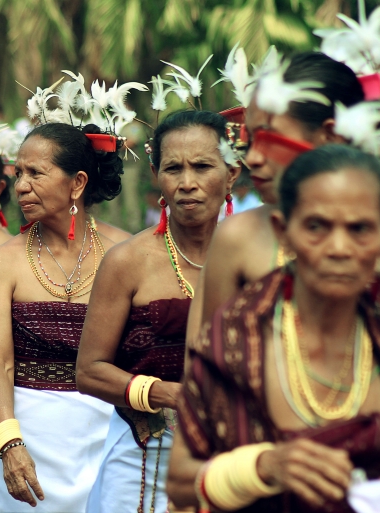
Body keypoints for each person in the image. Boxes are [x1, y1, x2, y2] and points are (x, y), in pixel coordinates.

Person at [168, 145, 380, 513]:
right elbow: (181, 484)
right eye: (316, 226)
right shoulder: (236, 343)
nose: (339, 247)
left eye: (359, 229)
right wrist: (263, 467)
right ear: (283, 232)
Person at [76, 111, 239, 513]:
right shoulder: (127, 261)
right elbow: (90, 370)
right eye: (173, 168)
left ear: (232, 172)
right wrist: (165, 394)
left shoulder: (257, 256)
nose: (187, 183)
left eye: (202, 166)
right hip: (141, 460)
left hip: (236, 454)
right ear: (155, 174)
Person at [0, 123, 122, 513]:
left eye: (35, 173)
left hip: (109, 430)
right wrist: (9, 443)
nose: (21, 185)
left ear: (77, 183)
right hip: (26, 433)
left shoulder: (124, 253)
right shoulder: (3, 260)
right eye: (18, 173)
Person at [186, 52, 367, 349]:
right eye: (251, 140)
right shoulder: (237, 238)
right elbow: (204, 366)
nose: (253, 159)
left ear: (331, 136)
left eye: (269, 138)